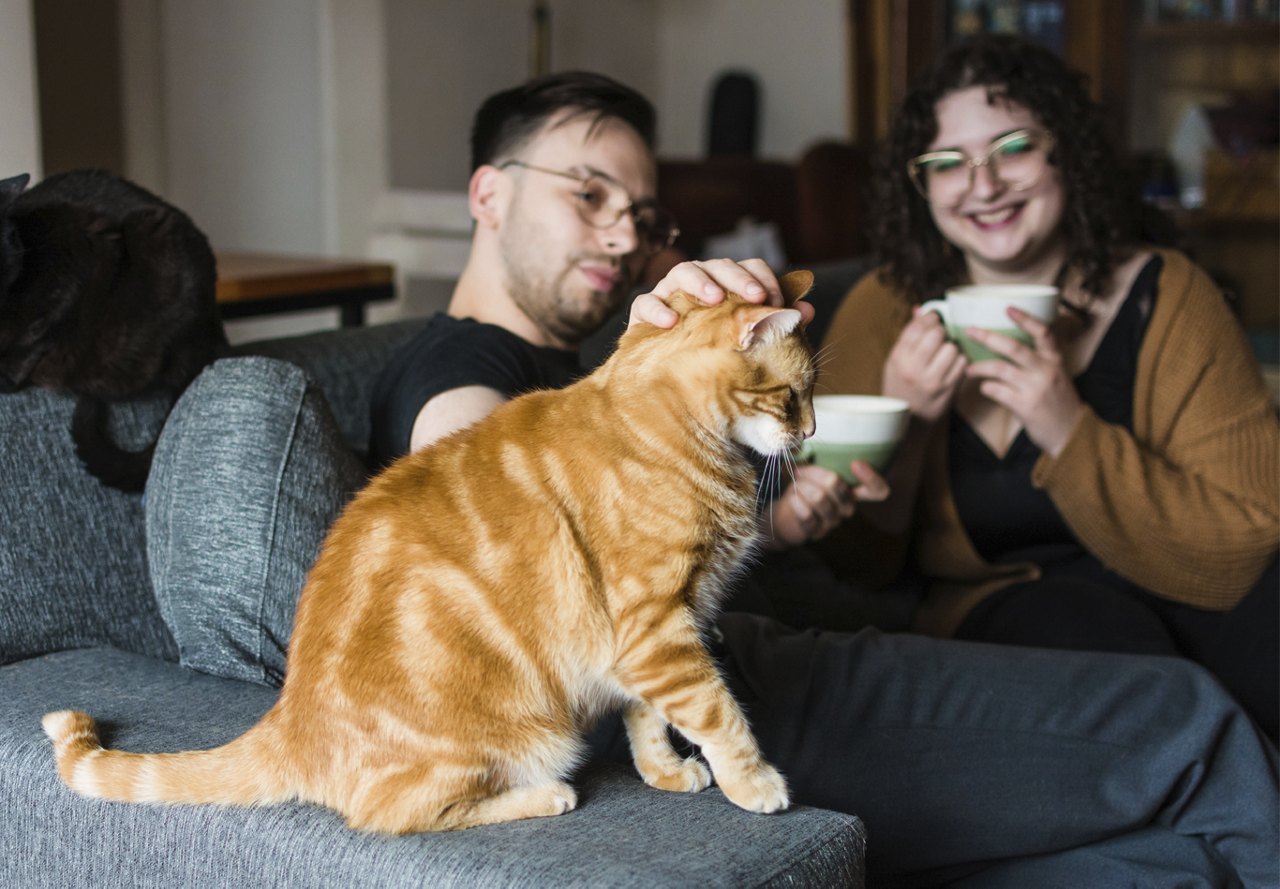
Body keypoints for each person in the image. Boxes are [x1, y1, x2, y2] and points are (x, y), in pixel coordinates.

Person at [370, 69, 1279, 886]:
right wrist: (644, 364)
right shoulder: (458, 367)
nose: (622, 231)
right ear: (488, 193)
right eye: (588, 192)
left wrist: (773, 512)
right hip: (717, 694)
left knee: (1171, 858)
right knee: (1197, 725)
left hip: (758, 652)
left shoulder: (580, 371)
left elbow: (645, 536)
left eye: (645, 215)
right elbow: (508, 544)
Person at [815, 34, 1280, 738]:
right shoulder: (882, 309)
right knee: (1124, 663)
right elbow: (854, 564)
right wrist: (903, 423)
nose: (984, 185)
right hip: (1015, 605)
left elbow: (1248, 541)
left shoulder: (1169, 296)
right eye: (948, 163)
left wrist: (1065, 423)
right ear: (921, 185)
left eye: (1013, 149)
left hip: (1183, 577)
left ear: (1066, 151)